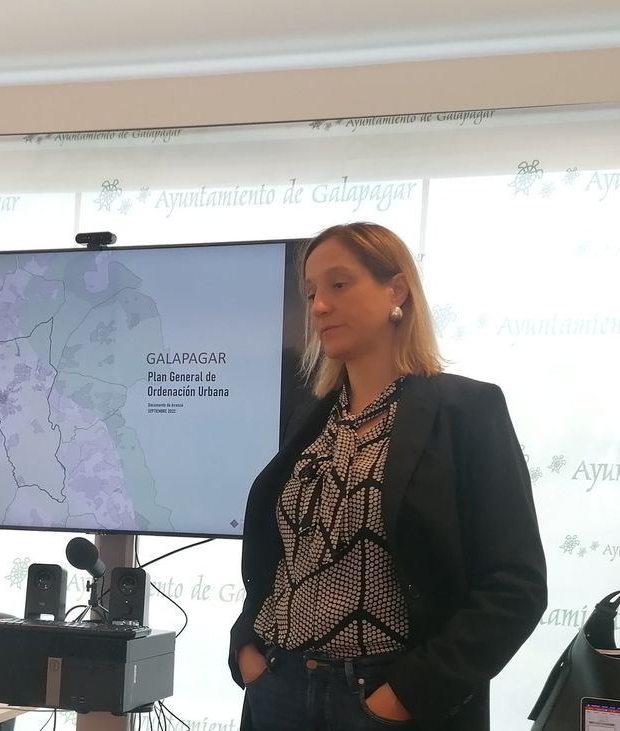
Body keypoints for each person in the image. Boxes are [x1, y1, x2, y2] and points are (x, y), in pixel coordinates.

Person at [228, 222, 547, 731]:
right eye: (311, 293)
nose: (319, 306)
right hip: (278, 685)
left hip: (384, 697)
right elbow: (284, 556)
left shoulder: (466, 410)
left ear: (396, 290)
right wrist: (247, 645)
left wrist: (405, 696)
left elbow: (516, 587)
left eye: (339, 284)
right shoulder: (310, 417)